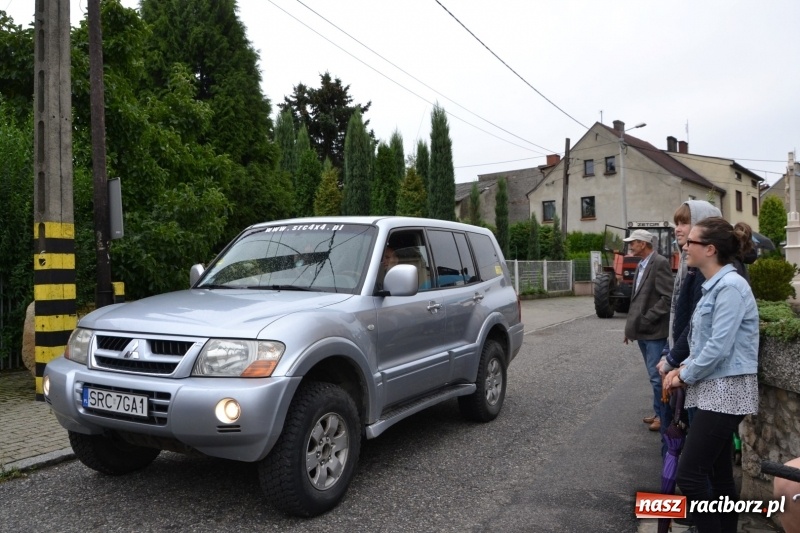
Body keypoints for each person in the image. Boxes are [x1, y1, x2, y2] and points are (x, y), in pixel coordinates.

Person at [664, 217, 759, 533]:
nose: (684, 246)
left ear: (710, 248)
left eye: (690, 242)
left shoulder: (731, 287)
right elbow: (703, 342)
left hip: (726, 393)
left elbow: (719, 347)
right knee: (718, 475)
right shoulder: (714, 286)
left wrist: (683, 376)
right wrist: (681, 367)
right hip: (713, 391)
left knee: (690, 475)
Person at [622, 229, 673, 432]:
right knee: (653, 376)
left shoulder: (659, 262)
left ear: (643, 244)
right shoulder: (642, 264)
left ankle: (663, 416)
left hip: (654, 331)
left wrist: (647, 318)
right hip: (643, 331)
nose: (630, 246)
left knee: (656, 375)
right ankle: (658, 411)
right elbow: (637, 300)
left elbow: (667, 298)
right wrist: (630, 329)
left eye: (633, 243)